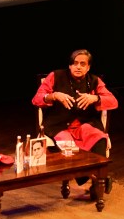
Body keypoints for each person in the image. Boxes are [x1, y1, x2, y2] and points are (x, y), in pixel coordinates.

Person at [32, 49, 118, 191]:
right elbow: (36, 99)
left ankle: (98, 179)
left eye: (82, 64)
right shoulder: (55, 76)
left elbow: (113, 101)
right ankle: (97, 178)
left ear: (88, 67)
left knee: (99, 138)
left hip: (84, 125)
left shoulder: (94, 81)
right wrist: (54, 95)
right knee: (68, 147)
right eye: (75, 63)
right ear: (70, 65)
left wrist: (95, 98)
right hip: (59, 126)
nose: (78, 67)